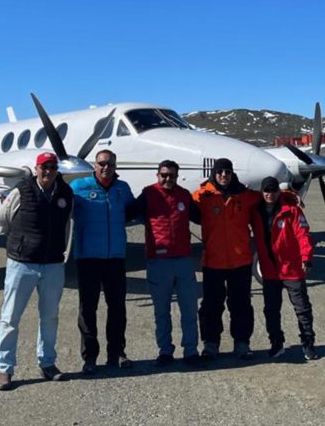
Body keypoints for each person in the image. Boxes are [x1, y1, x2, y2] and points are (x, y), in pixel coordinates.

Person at [0, 152, 74, 390]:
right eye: (43, 167)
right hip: (22, 263)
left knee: (50, 317)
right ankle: (4, 368)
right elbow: (3, 219)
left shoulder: (65, 194)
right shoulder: (22, 191)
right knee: (10, 318)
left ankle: (47, 363)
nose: (48, 171)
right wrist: (21, 243)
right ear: (36, 169)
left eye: (52, 166)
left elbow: (67, 223)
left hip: (52, 264)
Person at [71, 149, 136, 374]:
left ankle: (116, 352)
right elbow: (60, 206)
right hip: (88, 257)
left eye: (109, 163)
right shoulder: (79, 187)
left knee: (117, 308)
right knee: (88, 308)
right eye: (101, 163)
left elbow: (132, 211)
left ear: (115, 165)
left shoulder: (123, 189)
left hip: (115, 257)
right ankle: (89, 357)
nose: (105, 167)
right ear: (94, 165)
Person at [131, 160, 201, 367]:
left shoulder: (184, 195)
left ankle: (190, 350)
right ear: (157, 175)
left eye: (172, 175)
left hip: (183, 260)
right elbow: (126, 212)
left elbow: (201, 217)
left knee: (189, 309)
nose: (167, 179)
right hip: (158, 261)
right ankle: (165, 350)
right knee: (161, 311)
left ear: (177, 177)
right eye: (164, 175)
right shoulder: (148, 194)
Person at [192, 158, 262, 360]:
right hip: (213, 261)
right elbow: (177, 202)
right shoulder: (201, 196)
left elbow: (269, 196)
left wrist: (291, 196)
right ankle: (210, 343)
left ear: (232, 174)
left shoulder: (245, 196)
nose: (224, 175)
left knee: (241, 304)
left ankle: (242, 343)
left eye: (227, 172)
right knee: (211, 305)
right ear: (214, 173)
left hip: (240, 261)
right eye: (220, 171)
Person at [253, 176, 318, 361]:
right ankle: (276, 343)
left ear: (278, 191)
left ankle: (308, 343)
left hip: (291, 269)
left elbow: (303, 234)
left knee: (302, 308)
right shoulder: (255, 211)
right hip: (269, 270)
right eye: (266, 190)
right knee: (271, 310)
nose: (270, 194)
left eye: (273, 190)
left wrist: (306, 257)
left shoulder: (292, 210)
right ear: (262, 192)